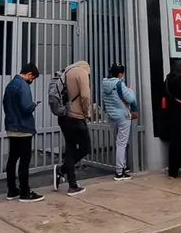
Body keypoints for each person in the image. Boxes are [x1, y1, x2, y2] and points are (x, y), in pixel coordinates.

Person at [3, 63, 44, 202]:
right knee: (25, 160)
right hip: (23, 128)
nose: (32, 81)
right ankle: (25, 192)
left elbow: (6, 105)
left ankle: (12, 190)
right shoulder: (23, 85)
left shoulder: (10, 85)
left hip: (11, 127)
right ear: (30, 75)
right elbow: (26, 107)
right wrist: (34, 105)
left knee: (12, 159)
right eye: (32, 78)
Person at [55, 60, 92, 196]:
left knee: (70, 148)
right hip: (77, 117)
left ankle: (72, 185)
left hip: (64, 117)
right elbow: (85, 96)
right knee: (86, 147)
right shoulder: (81, 72)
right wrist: (87, 112)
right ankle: (62, 169)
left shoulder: (65, 73)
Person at [101, 63, 136, 181]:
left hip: (112, 116)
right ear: (120, 74)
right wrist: (130, 90)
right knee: (122, 144)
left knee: (119, 143)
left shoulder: (104, 84)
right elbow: (130, 99)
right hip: (123, 116)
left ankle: (123, 166)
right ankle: (120, 171)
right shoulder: (120, 84)